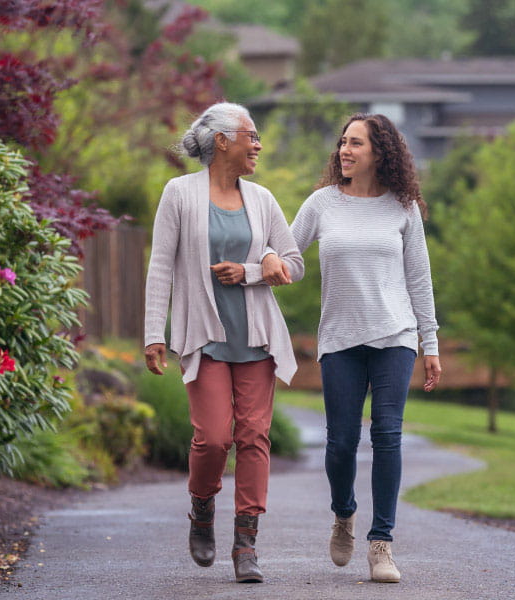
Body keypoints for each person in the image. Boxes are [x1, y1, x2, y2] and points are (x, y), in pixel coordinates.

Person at [269, 112, 442, 583]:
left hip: (395, 335)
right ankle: (344, 514)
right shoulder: (322, 203)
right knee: (342, 442)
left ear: (380, 153)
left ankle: (381, 543)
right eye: (343, 142)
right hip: (340, 339)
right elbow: (289, 255)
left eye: (356, 143)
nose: (345, 150)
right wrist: (264, 266)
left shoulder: (403, 208)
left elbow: (418, 279)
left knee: (387, 434)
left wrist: (430, 342)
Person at [143, 102, 302, 584]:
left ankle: (246, 544)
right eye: (250, 136)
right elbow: (161, 266)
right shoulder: (179, 193)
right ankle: (202, 508)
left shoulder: (263, 199)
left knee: (254, 437)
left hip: (256, 338)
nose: (257, 145)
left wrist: (255, 270)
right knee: (214, 438)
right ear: (221, 141)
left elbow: (293, 263)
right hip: (206, 338)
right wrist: (154, 333)